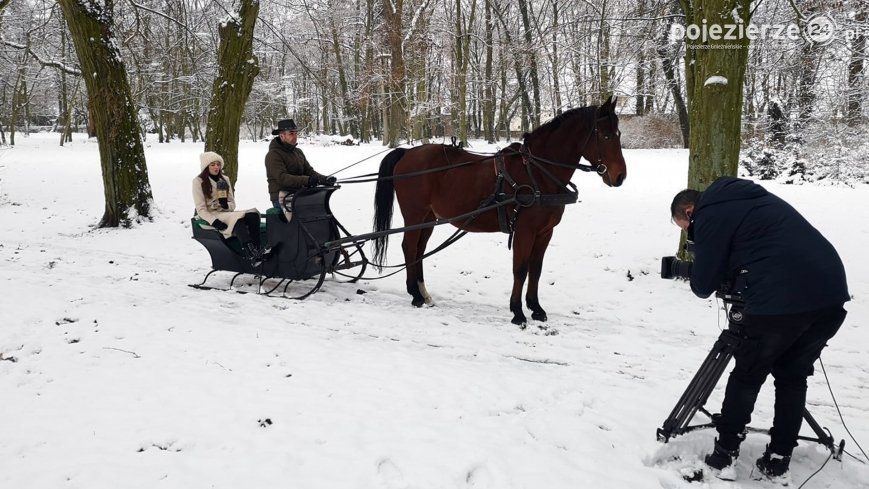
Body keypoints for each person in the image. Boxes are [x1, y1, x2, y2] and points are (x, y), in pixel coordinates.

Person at [670, 176, 849, 480]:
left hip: (779, 305)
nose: (689, 233)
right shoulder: (752, 201)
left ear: (689, 212)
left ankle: (724, 456)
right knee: (792, 378)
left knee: (747, 376)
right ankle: (778, 459)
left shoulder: (710, 212)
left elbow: (703, 285)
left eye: (685, 228)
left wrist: (684, 268)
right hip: (830, 298)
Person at [193, 151, 265, 265]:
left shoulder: (224, 179)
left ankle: (257, 249)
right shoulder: (198, 181)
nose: (216, 167)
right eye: (212, 165)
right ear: (206, 167)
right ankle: (250, 253)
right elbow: (201, 209)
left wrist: (225, 205)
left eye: (218, 164)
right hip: (212, 215)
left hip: (225, 212)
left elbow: (232, 203)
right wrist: (214, 221)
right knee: (238, 220)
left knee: (253, 214)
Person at [265, 118, 336, 213]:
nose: (295, 136)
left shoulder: (298, 152)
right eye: (291, 133)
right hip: (282, 196)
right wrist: (308, 180)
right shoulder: (273, 155)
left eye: (295, 133)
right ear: (282, 136)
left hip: (299, 194)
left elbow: (309, 171)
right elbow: (283, 178)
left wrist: (323, 179)